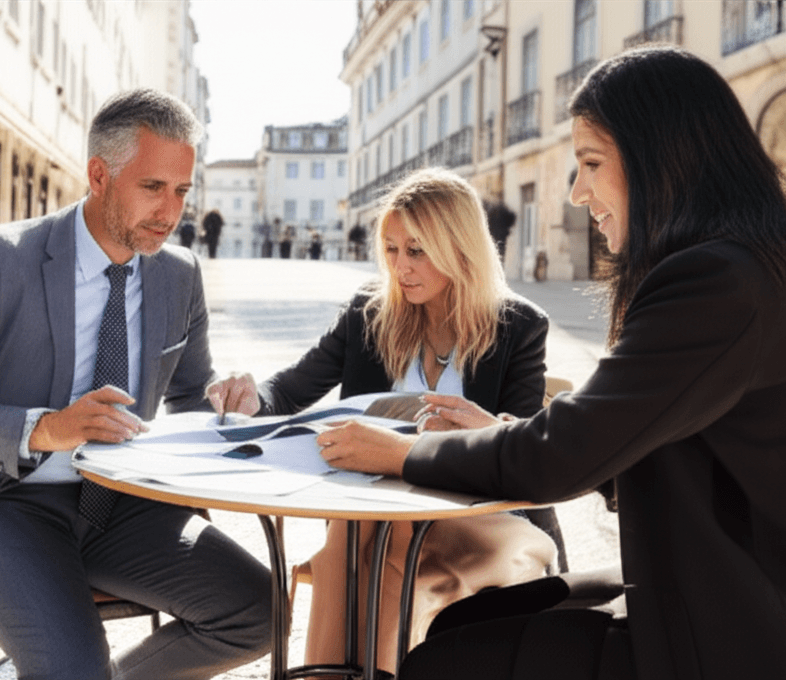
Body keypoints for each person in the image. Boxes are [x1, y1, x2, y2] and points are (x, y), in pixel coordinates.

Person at [309, 47, 786, 680]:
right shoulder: (744, 264)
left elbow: (563, 456)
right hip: (725, 586)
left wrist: (398, 453)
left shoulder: (716, 281)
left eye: (591, 163)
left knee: (443, 661)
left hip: (734, 626)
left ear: (662, 160)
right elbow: (631, 443)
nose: (577, 192)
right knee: (460, 626)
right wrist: (503, 429)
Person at [0, 88, 271, 680]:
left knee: (262, 611)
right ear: (98, 174)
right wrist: (44, 428)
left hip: (123, 504)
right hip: (1, 501)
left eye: (182, 191)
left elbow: (191, 391)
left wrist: (224, 397)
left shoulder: (179, 275)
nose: (171, 211)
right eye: (153, 187)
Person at [208, 167, 562, 674]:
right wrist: (248, 396)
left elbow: (525, 442)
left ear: (459, 248)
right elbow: (286, 390)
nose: (400, 267)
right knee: (361, 543)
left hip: (482, 520)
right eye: (391, 249)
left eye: (417, 250)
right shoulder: (369, 314)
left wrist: (484, 426)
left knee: (355, 553)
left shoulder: (519, 326)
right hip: (373, 518)